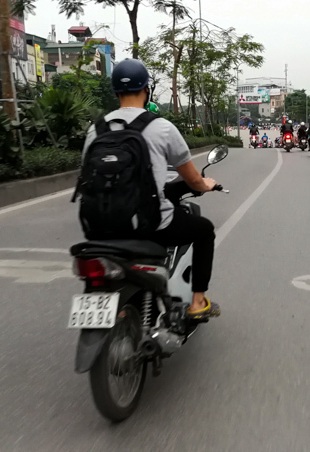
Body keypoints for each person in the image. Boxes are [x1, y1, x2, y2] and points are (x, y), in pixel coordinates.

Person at [81, 59, 220, 319]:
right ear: (146, 90)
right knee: (204, 231)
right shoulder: (162, 127)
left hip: (98, 228)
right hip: (151, 226)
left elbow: (85, 176)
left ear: (115, 92)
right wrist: (206, 185)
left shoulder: (95, 130)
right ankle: (198, 302)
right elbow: (192, 180)